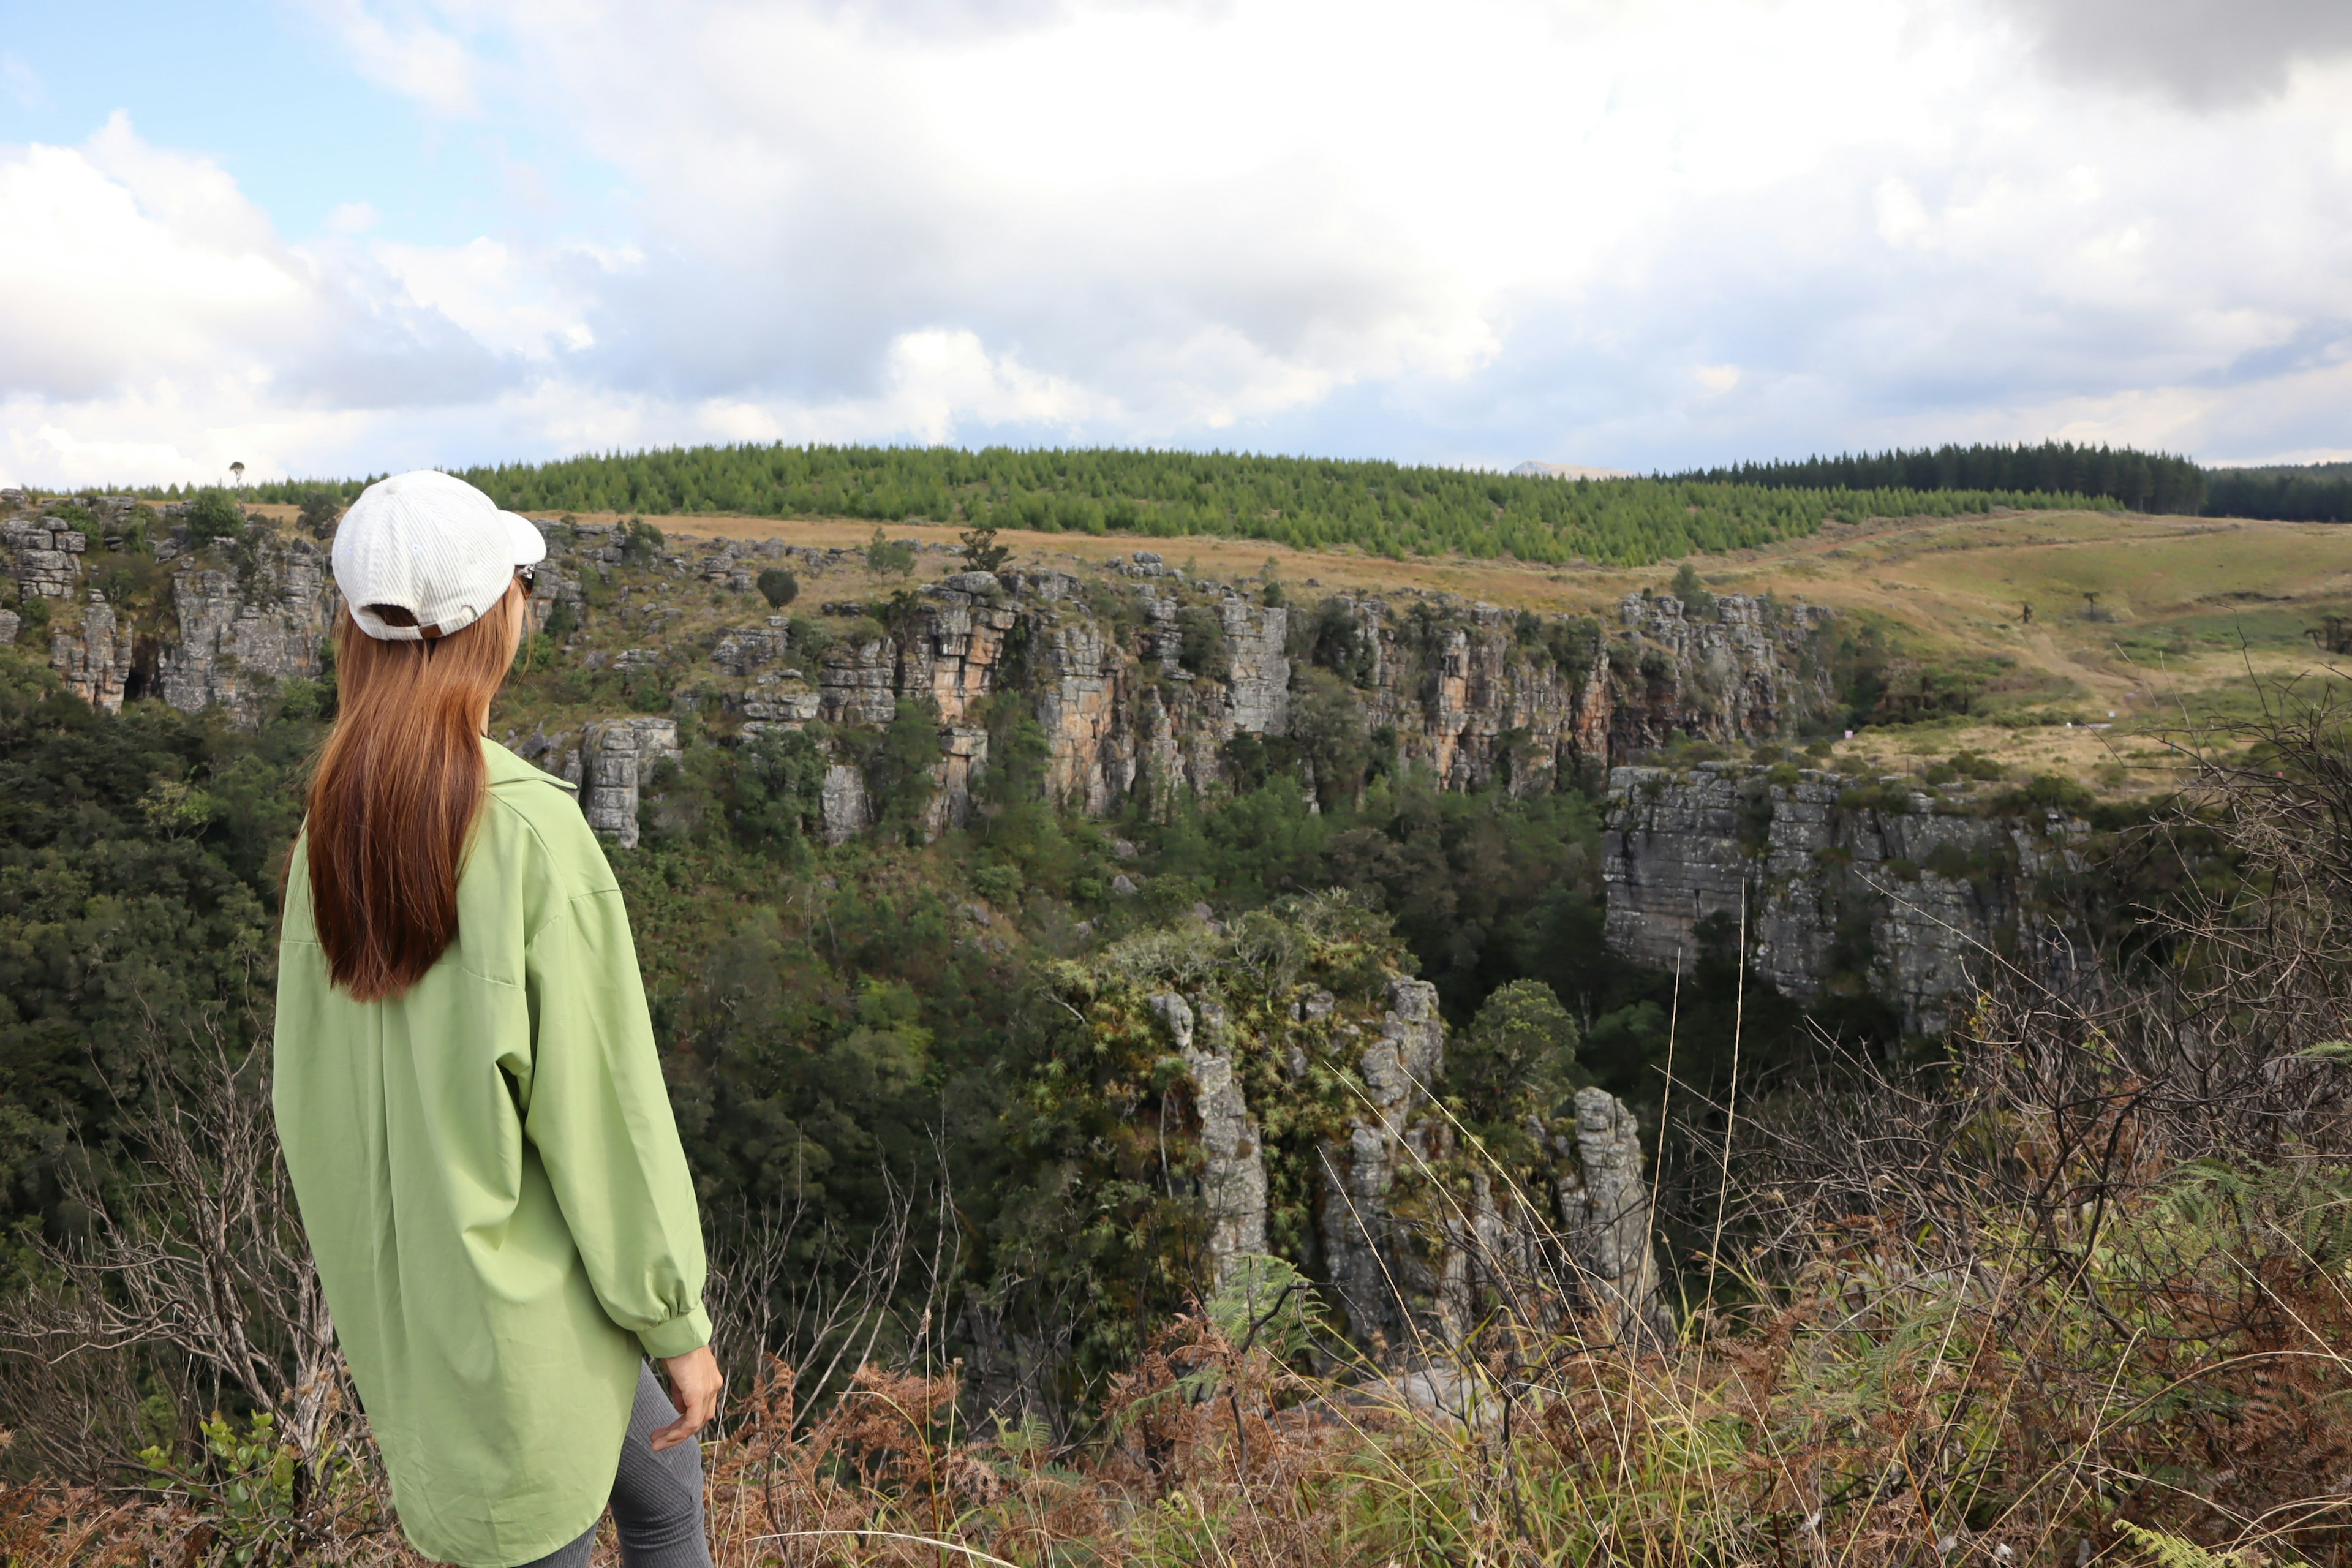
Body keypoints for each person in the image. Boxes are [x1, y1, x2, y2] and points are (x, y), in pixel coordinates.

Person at [274, 470, 722, 1568]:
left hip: (426, 1314)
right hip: (536, 1307)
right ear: (492, 620)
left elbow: (308, 1102)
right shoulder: (527, 834)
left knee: (661, 1503)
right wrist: (676, 1321)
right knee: (626, 1525)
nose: (528, 598)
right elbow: (604, 1112)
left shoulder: (327, 837)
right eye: (522, 581)